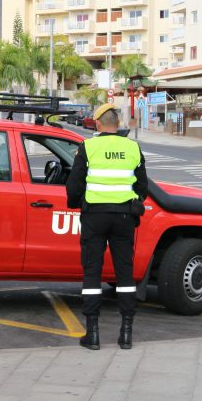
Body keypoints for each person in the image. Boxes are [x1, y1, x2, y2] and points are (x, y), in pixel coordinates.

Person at [66, 103, 148, 350]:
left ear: (99, 125)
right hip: (123, 218)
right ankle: (126, 334)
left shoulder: (88, 147)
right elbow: (142, 187)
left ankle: (92, 334)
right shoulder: (132, 147)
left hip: (95, 217)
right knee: (125, 273)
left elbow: (74, 186)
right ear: (117, 124)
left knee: (92, 271)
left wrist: (76, 203)